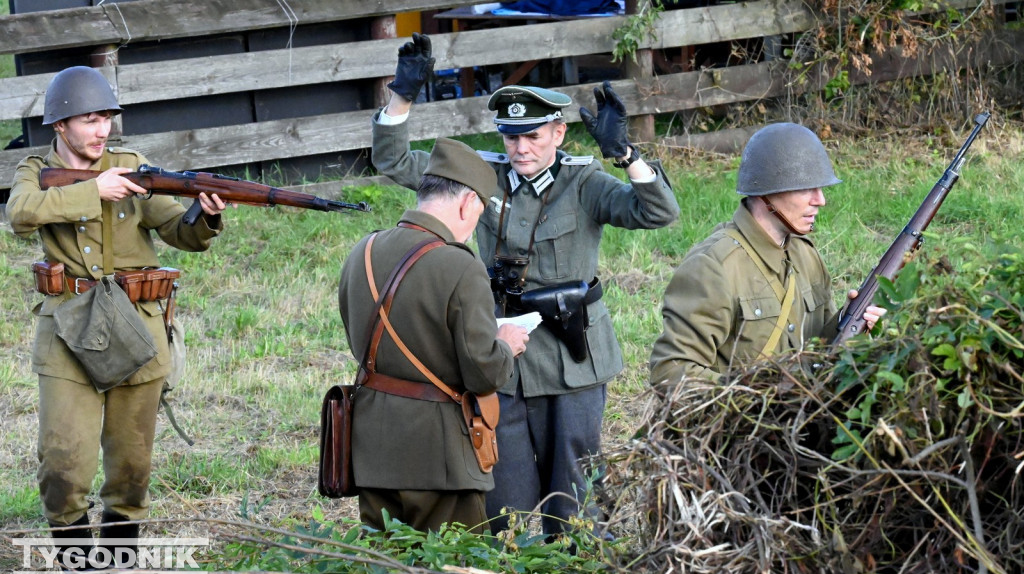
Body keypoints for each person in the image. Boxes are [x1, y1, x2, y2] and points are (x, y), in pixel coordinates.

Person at [371, 33, 680, 536]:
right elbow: (394, 163)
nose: (519, 148)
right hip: (500, 356)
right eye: (511, 137)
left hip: (570, 356)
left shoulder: (586, 184)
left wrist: (625, 153)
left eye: (533, 136)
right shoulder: (481, 177)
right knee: (503, 498)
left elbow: (659, 212)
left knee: (576, 497)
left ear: (558, 134)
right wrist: (401, 96)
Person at [7, 66, 228, 574]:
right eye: (90, 119)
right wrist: (92, 191)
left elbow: (179, 232)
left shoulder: (132, 169)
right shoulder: (35, 170)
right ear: (60, 124)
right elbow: (20, 214)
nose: (102, 129)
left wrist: (204, 215)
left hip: (137, 332)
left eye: (107, 117)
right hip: (67, 333)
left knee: (130, 472)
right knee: (63, 468)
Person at [338, 137, 530, 534]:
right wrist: (506, 347)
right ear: (466, 204)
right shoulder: (459, 265)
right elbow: (483, 373)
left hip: (372, 448)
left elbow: (359, 337)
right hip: (439, 458)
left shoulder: (364, 250)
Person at [649, 122, 885, 386]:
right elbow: (669, 371)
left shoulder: (805, 255)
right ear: (768, 193)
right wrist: (751, 400)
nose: (820, 200)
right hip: (743, 423)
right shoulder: (714, 266)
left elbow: (818, 352)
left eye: (820, 189)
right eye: (806, 188)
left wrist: (848, 321)